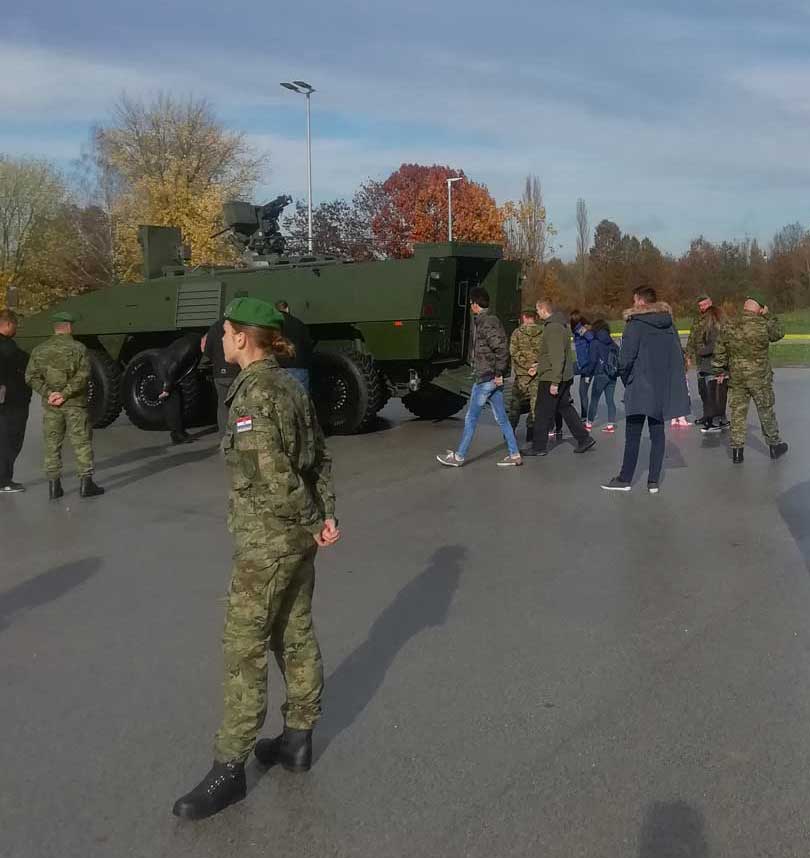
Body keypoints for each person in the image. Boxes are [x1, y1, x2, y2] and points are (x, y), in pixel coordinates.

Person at [173, 297, 339, 821]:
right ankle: (297, 738)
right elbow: (319, 458)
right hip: (299, 542)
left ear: (243, 337)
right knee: (295, 632)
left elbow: (274, 476)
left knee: (242, 649)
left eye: (225, 332)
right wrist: (325, 516)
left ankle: (229, 768)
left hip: (268, 543)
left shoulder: (253, 396)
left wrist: (313, 519)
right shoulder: (292, 385)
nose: (222, 340)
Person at [601, 287, 689, 494]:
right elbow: (677, 354)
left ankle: (625, 478)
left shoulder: (635, 325)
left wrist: (626, 378)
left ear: (640, 302)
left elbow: (625, 358)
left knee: (633, 434)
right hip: (660, 387)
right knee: (658, 433)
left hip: (639, 386)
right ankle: (653, 481)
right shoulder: (669, 324)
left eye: (634, 300)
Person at [436, 287, 522, 468]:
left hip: (486, 379)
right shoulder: (485, 321)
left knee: (471, 419)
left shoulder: (487, 322)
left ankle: (459, 457)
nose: (469, 306)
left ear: (475, 304)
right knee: (502, 418)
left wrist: (499, 373)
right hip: (490, 378)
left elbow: (501, 348)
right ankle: (514, 454)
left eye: (470, 303)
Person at [25, 312, 104, 499]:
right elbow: (83, 376)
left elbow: (30, 377)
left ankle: (54, 486)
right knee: (81, 443)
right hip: (75, 404)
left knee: (52, 444)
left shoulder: (39, 350)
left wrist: (49, 393)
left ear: (55, 328)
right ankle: (86, 484)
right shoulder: (79, 348)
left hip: (52, 405)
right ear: (69, 327)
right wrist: (65, 393)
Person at [712, 292, 788, 464]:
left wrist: (719, 370)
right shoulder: (763, 324)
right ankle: (774, 446)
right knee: (765, 410)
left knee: (738, 413)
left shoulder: (730, 325)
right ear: (760, 308)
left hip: (737, 377)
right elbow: (779, 333)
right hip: (760, 377)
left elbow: (719, 350)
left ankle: (737, 451)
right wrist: (768, 314)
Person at [522, 300, 595, 457]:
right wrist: (538, 366)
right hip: (559, 375)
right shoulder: (559, 325)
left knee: (541, 411)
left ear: (543, 309)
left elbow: (557, 357)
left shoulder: (553, 328)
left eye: (537, 309)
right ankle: (584, 439)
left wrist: (554, 381)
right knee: (565, 408)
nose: (537, 313)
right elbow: (552, 356)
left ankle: (539, 447)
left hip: (552, 377)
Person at [685, 295, 728, 432]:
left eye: (705, 305)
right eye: (700, 306)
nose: (703, 308)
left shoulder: (716, 317)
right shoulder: (698, 319)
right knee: (703, 390)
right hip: (701, 360)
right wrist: (689, 354)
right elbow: (693, 337)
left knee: (714, 391)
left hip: (713, 360)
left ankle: (717, 418)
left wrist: (702, 351)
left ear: (711, 303)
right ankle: (707, 415)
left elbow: (716, 341)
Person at [0, 309, 32, 492]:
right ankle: (3, 480)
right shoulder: (7, 347)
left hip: (7, 400)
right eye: (16, 325)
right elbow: (26, 364)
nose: (17, 329)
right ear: (8, 324)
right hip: (11, 401)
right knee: (10, 439)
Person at [153, 334, 203, 444]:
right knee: (173, 404)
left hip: (168, 372)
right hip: (165, 373)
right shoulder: (190, 347)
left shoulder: (195, 342)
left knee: (177, 402)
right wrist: (166, 388)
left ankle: (180, 432)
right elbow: (174, 365)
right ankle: (177, 434)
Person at [507, 308, 542, 444]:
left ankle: (510, 432)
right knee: (535, 405)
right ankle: (531, 432)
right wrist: (536, 366)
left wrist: (525, 366)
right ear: (535, 317)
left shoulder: (517, 333)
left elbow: (513, 352)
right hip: (537, 375)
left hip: (521, 375)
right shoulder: (543, 333)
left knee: (515, 405)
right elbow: (546, 353)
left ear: (524, 317)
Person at [203, 320, 239, 433]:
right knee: (240, 405)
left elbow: (207, 351)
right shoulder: (239, 325)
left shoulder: (214, 327)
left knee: (223, 406)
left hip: (219, 373)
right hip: (236, 372)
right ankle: (241, 434)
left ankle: (224, 436)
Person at [583, 319, 619, 432]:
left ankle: (589, 424)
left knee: (594, 399)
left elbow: (593, 361)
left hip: (600, 374)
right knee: (610, 400)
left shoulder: (595, 342)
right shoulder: (612, 342)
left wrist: (588, 375)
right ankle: (611, 425)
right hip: (612, 374)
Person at [275, 300, 313, 391]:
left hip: (280, 367)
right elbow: (308, 345)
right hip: (299, 366)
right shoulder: (299, 323)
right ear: (287, 309)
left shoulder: (274, 325)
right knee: (301, 400)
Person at [570, 311, 593, 423]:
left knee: (565, 370)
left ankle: (566, 395)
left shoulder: (580, 329)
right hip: (585, 365)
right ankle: (584, 416)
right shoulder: (581, 329)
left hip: (584, 365)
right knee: (582, 392)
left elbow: (590, 338)